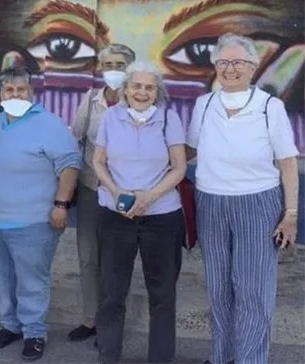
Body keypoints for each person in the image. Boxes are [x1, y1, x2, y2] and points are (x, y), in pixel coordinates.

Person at [186, 33, 300, 364]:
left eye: (238, 62)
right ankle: (221, 356)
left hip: (256, 204)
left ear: (252, 67)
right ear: (215, 66)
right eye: (223, 62)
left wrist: (290, 213)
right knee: (218, 289)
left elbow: (288, 162)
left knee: (252, 291)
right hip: (210, 203)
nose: (230, 69)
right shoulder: (202, 105)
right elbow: (190, 150)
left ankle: (250, 359)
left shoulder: (270, 107)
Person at [0, 66, 81, 362]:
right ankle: (11, 326)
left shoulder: (48, 124)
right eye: (9, 90)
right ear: (1, 94)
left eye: (21, 89)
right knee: (5, 277)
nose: (15, 94)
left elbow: (70, 164)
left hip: (33, 222)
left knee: (32, 281)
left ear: (32, 93)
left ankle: (34, 332)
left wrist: (61, 204)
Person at [92, 61, 187, 364]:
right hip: (115, 215)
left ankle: (160, 359)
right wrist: (117, 191)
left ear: (157, 91)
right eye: (137, 86)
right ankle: (109, 356)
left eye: (149, 87)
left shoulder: (168, 118)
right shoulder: (110, 116)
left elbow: (179, 167)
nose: (142, 92)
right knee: (111, 292)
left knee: (162, 294)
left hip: (162, 217)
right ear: (126, 89)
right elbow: (98, 161)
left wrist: (149, 197)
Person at [69, 43, 136, 344]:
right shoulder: (91, 99)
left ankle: (112, 321)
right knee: (88, 257)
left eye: (120, 64)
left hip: (125, 193)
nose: (114, 71)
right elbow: (76, 140)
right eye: (108, 64)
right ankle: (90, 319)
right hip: (90, 188)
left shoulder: (141, 97)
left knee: (116, 259)